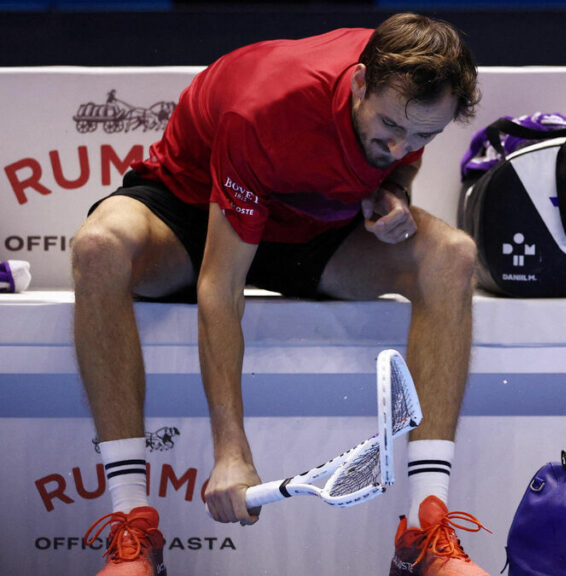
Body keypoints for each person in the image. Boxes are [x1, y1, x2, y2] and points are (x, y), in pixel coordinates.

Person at [73, 12, 488, 576]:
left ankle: (424, 530)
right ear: (361, 81)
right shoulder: (267, 107)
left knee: (452, 256)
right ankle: (133, 526)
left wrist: (389, 191)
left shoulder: (410, 93)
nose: (400, 144)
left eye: (424, 136)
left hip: (311, 230)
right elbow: (221, 285)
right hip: (194, 216)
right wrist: (231, 451)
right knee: (98, 247)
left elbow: (396, 158)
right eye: (391, 126)